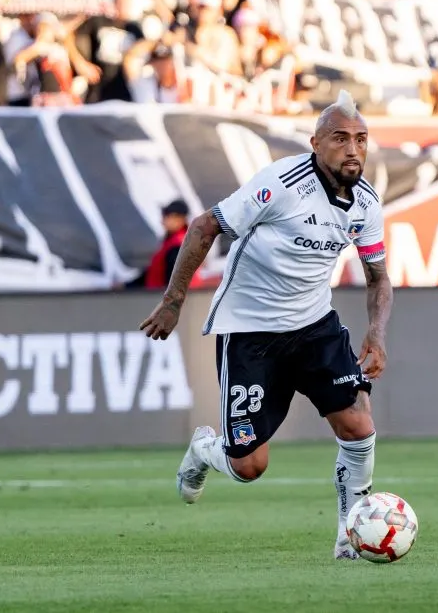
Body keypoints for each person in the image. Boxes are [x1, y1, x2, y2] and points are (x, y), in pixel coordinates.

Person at [139, 90, 393, 561]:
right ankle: (203, 451)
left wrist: (376, 334)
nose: (353, 148)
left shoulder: (366, 204)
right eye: (340, 138)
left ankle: (350, 534)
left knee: (358, 426)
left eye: (361, 138)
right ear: (316, 143)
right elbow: (203, 227)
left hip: (315, 326)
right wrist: (173, 301)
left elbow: (378, 277)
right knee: (249, 465)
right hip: (251, 330)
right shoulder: (281, 183)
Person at [128, 199, 192, 289]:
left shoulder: (177, 246)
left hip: (159, 298)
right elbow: (151, 273)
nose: (162, 220)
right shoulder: (173, 242)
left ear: (180, 219)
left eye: (167, 216)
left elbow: (172, 284)